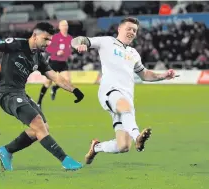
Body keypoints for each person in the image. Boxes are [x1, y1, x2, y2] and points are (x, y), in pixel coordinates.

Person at [71, 17, 176, 165]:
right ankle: (137, 136)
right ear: (119, 29)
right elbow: (77, 40)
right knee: (125, 108)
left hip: (126, 98)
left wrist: (163, 75)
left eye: (134, 30)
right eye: (129, 28)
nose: (132, 32)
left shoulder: (134, 53)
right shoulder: (106, 41)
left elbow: (145, 74)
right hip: (110, 91)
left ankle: (96, 147)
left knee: (123, 146)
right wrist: (79, 44)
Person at [0, 22, 84, 171]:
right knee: (37, 123)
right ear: (35, 36)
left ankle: (6, 151)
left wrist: (74, 90)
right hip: (8, 94)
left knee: (43, 127)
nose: (48, 43)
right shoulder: (15, 44)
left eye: (50, 40)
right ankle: (65, 160)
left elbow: (55, 76)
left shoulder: (38, 58)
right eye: (46, 39)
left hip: (21, 93)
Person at [37, 20, 73, 108]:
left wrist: (68, 53)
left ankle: (55, 88)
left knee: (67, 81)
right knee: (47, 83)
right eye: (63, 25)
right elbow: (48, 49)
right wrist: (57, 52)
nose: (65, 27)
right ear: (60, 27)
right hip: (53, 62)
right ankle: (39, 102)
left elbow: (69, 50)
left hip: (63, 63)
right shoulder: (55, 37)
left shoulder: (69, 38)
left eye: (66, 25)